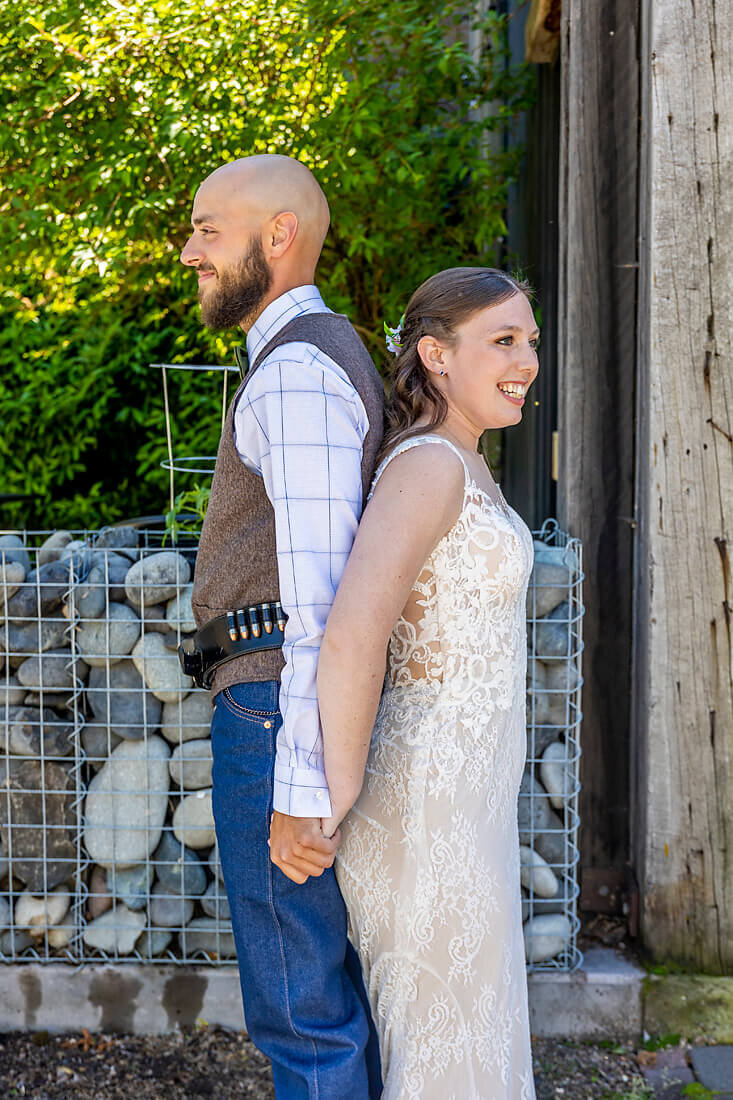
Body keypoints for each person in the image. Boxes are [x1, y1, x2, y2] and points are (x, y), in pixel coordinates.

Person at [180, 154, 383, 1099]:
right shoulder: (302, 359)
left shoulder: (297, 374)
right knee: (315, 1003)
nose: (189, 252)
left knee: (302, 1016)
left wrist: (305, 788)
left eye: (208, 230)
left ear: (279, 236)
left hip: (272, 721)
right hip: (275, 714)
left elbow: (324, 596)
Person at [317, 267, 540, 1099]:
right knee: (442, 1045)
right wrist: (333, 799)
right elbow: (353, 634)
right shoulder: (427, 466)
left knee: (471, 1034)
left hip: (468, 800)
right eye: (503, 341)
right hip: (421, 806)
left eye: (530, 341)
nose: (526, 360)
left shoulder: (465, 464)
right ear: (435, 356)